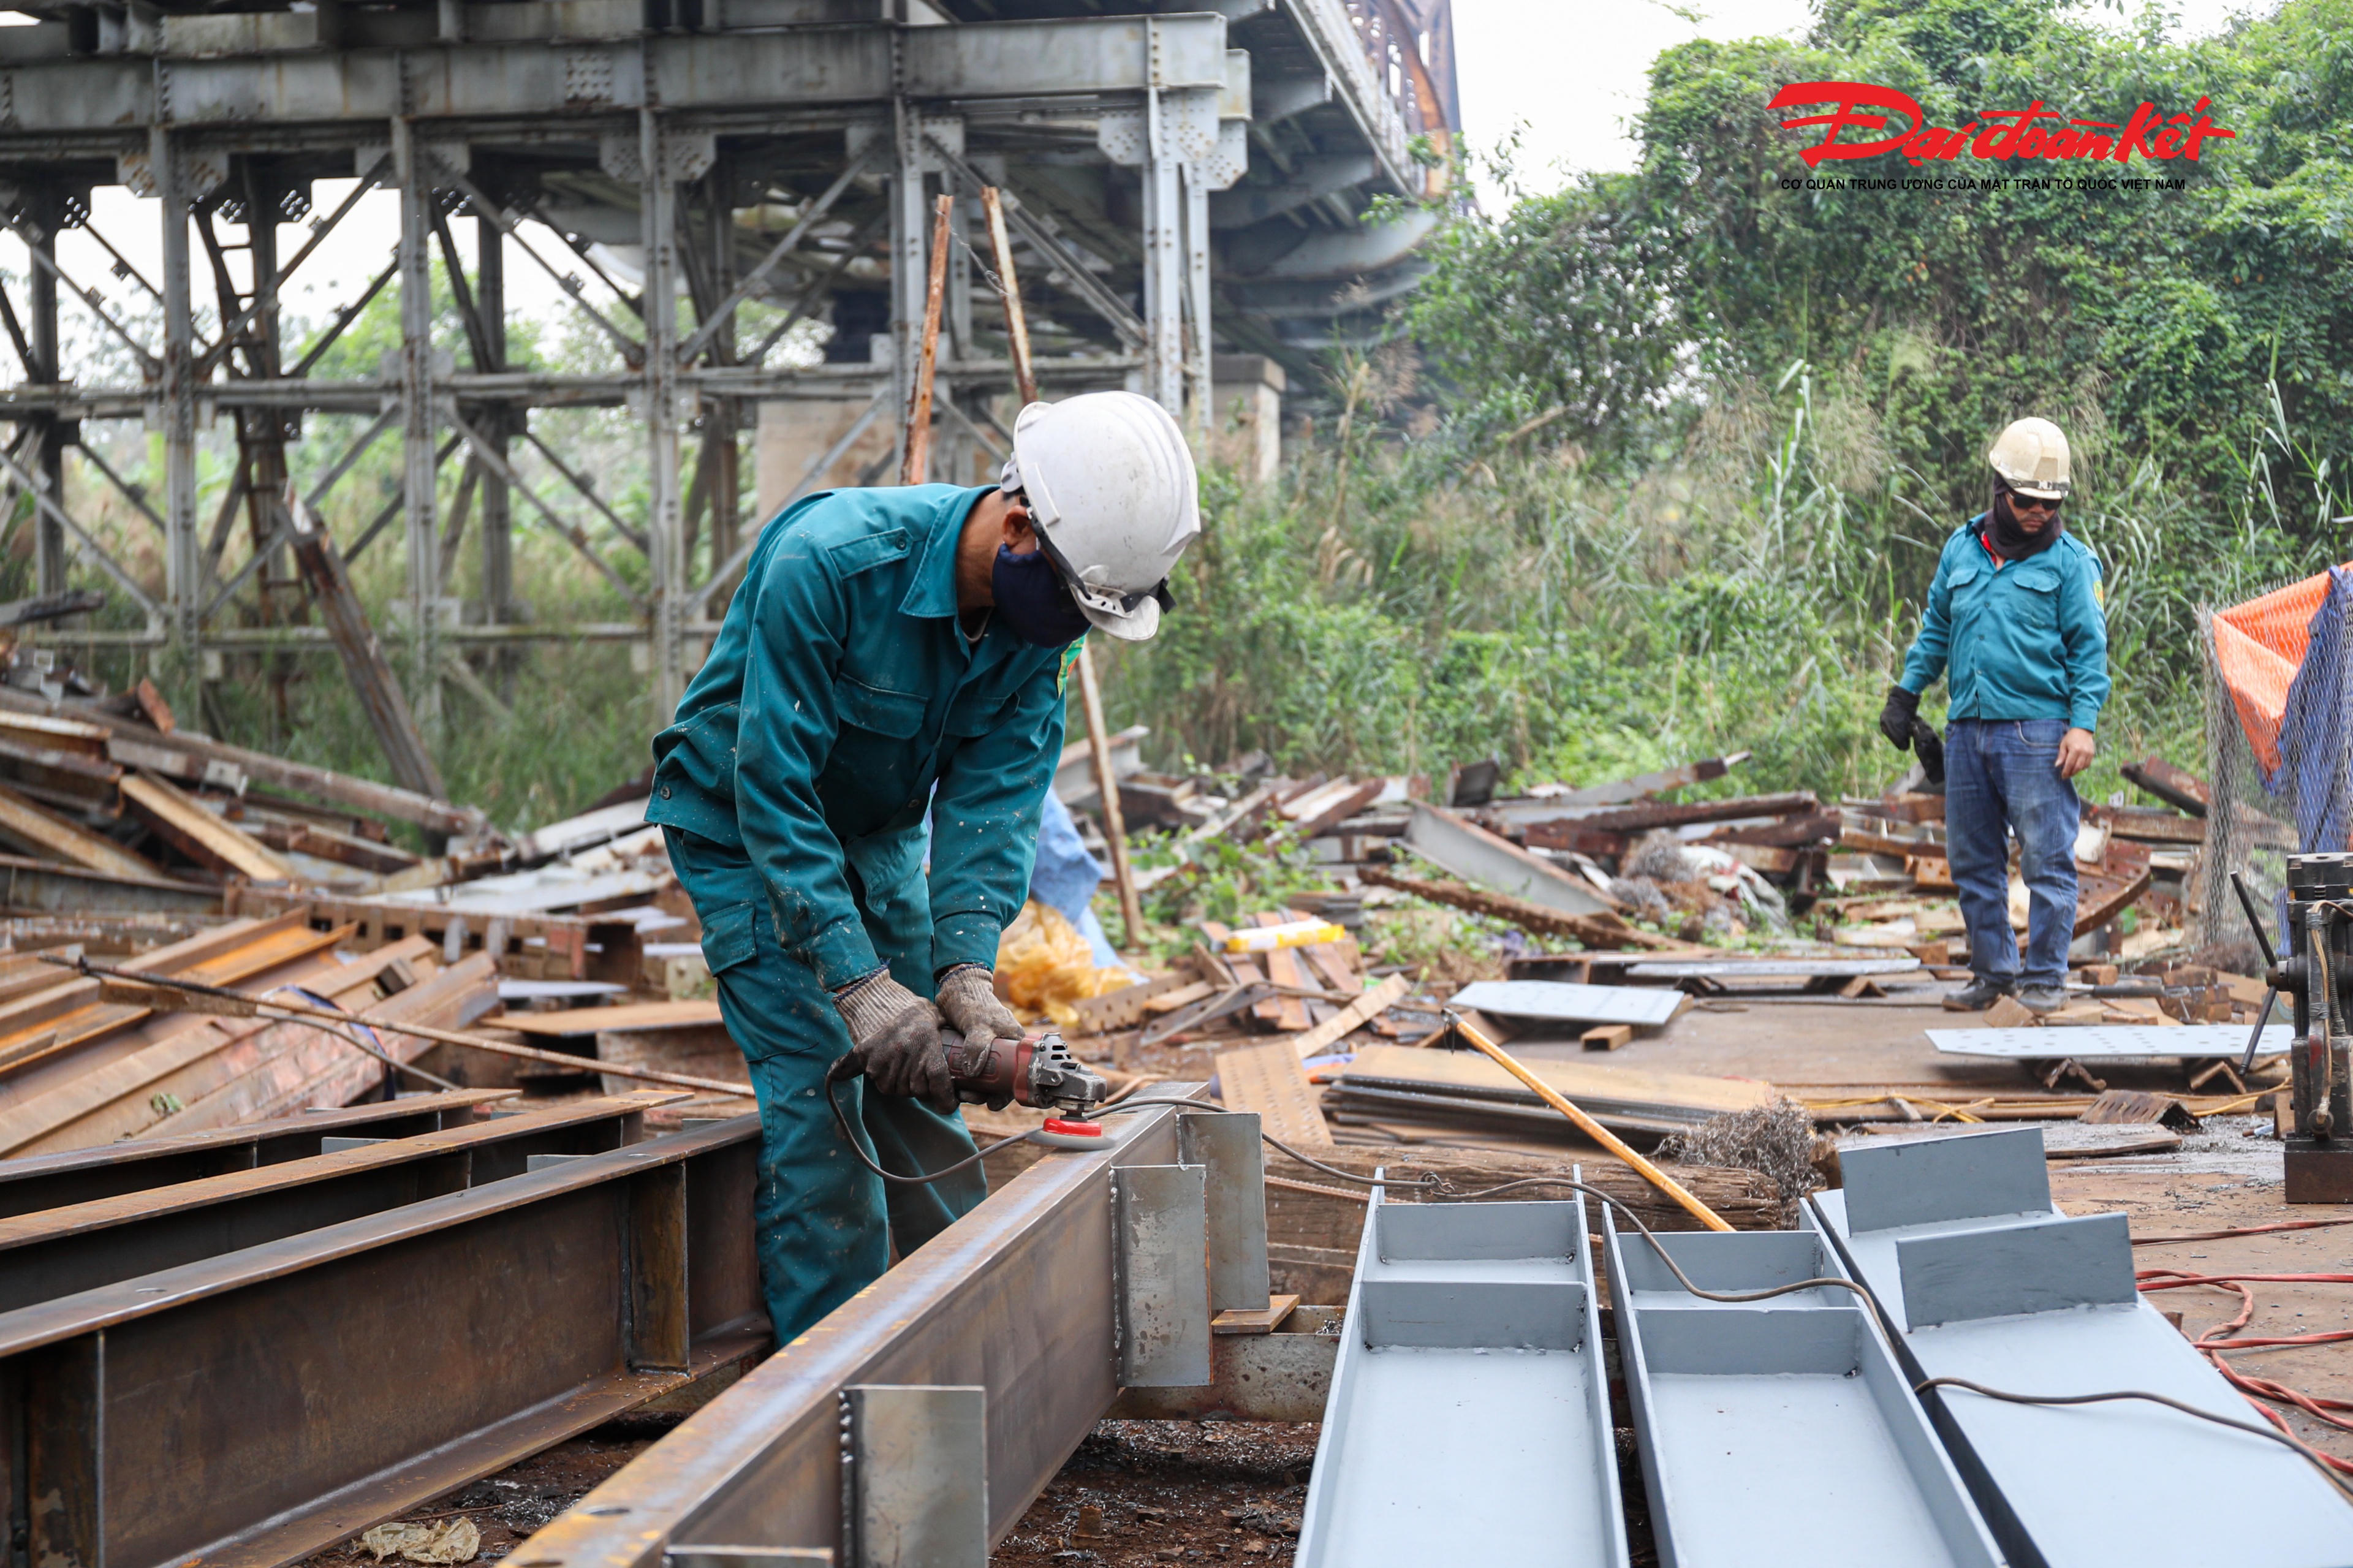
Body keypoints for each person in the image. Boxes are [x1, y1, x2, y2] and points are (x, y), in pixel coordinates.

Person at [647, 391, 1200, 1340]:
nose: (1073, 630)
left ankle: (963, 1338)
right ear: (1018, 525)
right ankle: (838, 1383)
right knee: (830, 1090)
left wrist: (965, 973)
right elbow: (772, 784)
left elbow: (994, 805)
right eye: (1072, 604)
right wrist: (860, 982)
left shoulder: (1039, 633)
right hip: (744, 827)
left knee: (923, 1088)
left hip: (878, 833)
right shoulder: (832, 561)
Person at [1881, 417, 2109, 1015]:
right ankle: (1993, 975)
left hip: (2038, 734)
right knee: (1974, 860)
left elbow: (2090, 652)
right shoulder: (1961, 549)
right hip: (1967, 732)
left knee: (2045, 859)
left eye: (2049, 503)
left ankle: (2044, 979)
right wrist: (1905, 695)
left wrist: (2082, 724)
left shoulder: (2070, 564)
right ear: (1999, 491)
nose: (2039, 512)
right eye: (2028, 501)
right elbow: (1936, 630)